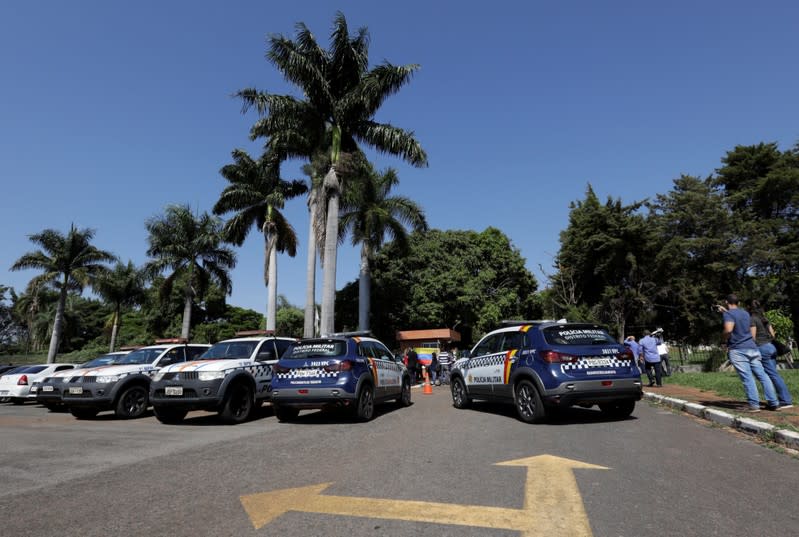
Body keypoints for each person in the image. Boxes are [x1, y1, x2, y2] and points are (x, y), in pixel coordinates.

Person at [717, 294, 779, 412]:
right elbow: (741, 321)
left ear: (726, 302)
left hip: (738, 349)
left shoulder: (728, 314)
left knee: (747, 377)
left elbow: (729, 329)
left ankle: (753, 404)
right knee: (763, 375)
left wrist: (723, 339)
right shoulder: (745, 313)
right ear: (738, 303)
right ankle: (773, 402)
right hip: (752, 347)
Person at [749, 300, 793, 409]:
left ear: (750, 308)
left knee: (771, 375)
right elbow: (773, 334)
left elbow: (752, 337)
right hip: (771, 347)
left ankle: (785, 400)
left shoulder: (752, 319)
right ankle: (778, 399)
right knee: (772, 374)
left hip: (762, 348)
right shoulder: (764, 318)